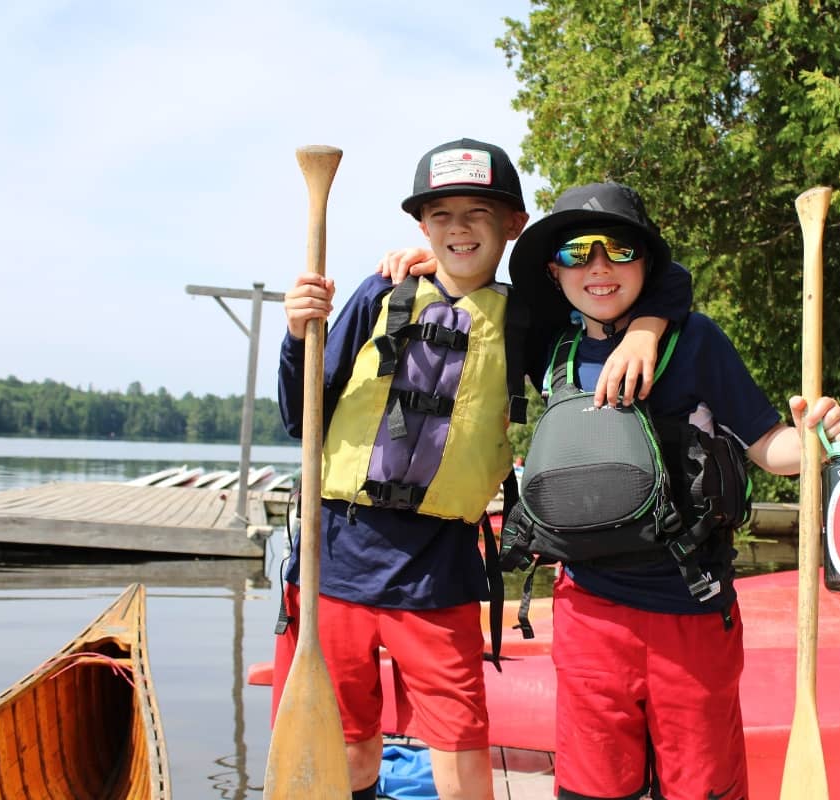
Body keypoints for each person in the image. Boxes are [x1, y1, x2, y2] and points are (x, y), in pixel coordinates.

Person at [272, 139, 693, 800]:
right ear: (421, 226)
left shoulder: (526, 317)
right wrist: (296, 337)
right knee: (348, 754)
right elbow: (303, 419)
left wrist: (644, 330)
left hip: (438, 573)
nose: (459, 228)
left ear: (513, 226)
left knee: (462, 758)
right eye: (441, 215)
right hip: (335, 563)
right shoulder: (378, 292)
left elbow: (661, 278)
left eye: (479, 212)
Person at [504, 181, 840, 800]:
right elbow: (474, 290)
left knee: (701, 789)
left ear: (646, 263)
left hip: (690, 612)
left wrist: (820, 440)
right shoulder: (546, 346)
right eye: (577, 253)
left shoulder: (696, 341)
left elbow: (769, 445)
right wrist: (422, 261)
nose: (599, 267)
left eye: (618, 249)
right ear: (552, 271)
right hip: (587, 614)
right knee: (592, 790)